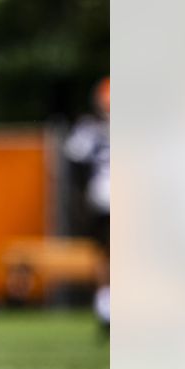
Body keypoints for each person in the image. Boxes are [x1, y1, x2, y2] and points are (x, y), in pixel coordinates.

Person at [64, 76, 110, 332]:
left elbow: (74, 164)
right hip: (118, 197)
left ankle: (106, 306)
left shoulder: (88, 128)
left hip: (101, 197)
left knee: (106, 255)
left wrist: (79, 198)